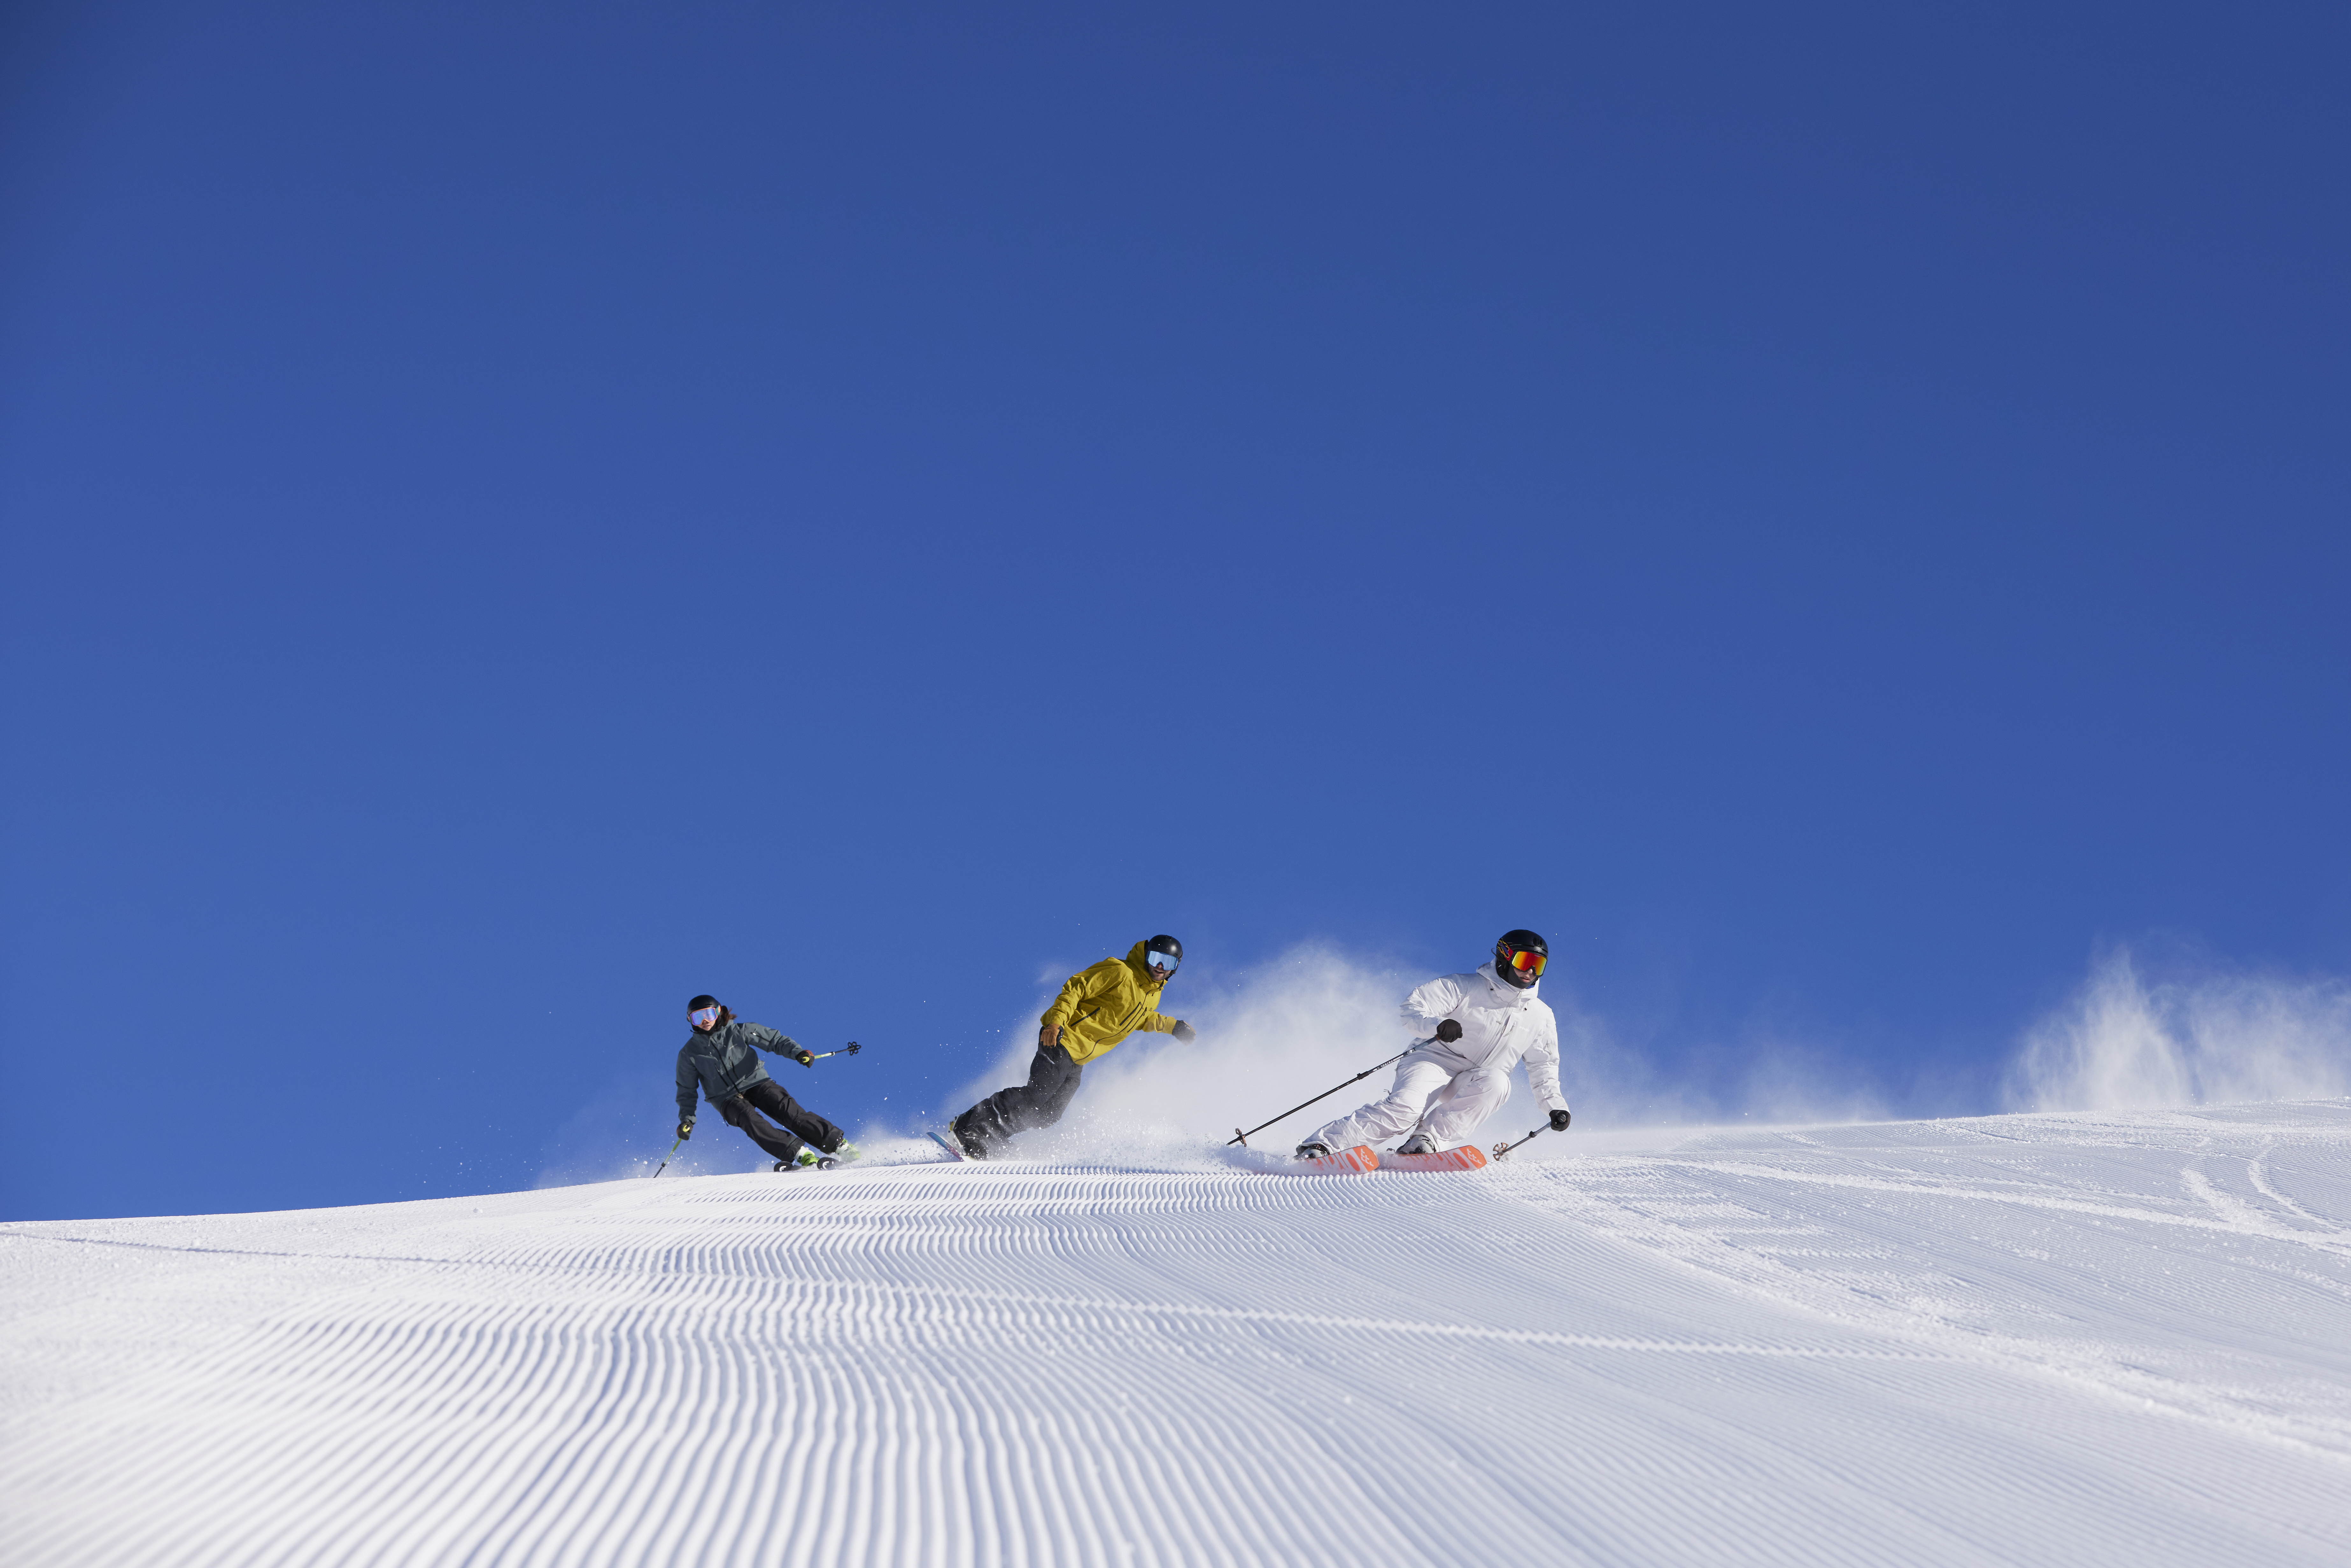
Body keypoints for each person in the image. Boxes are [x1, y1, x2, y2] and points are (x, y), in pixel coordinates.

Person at [1296, 929, 1571, 1160]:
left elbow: (1543, 1065)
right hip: (1434, 1061)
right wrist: (1437, 1025)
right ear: (1505, 957)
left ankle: (1425, 1142)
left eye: (1539, 965)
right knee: (1406, 1109)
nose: (1531, 971)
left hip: (1477, 1078)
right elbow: (1412, 1008)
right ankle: (1323, 1146)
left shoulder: (1541, 1015)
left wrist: (1554, 1106)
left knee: (1498, 1084)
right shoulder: (1464, 987)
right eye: (1525, 961)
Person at [948, 936, 1198, 1158]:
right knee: (1037, 1095)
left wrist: (1173, 1026)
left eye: (1168, 963)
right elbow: (1075, 988)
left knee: (1048, 1115)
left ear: (1175, 968)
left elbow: (1141, 1018)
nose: (1160, 967)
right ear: (1146, 956)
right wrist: (1056, 1024)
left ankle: (992, 1135)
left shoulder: (1152, 994)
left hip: (1079, 1058)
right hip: (1062, 1038)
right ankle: (968, 1129)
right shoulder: (1120, 971)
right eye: (1156, 958)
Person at [673, 994, 860, 1170]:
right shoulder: (689, 1053)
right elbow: (687, 1090)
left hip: (756, 1081)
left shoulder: (740, 1031)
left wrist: (797, 1052)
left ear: (719, 1012)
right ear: (691, 1020)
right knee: (749, 1120)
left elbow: (774, 1040)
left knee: (788, 1111)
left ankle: (840, 1146)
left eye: (709, 1014)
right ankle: (802, 1155)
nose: (705, 1021)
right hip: (725, 1098)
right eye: (699, 1017)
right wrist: (687, 1120)